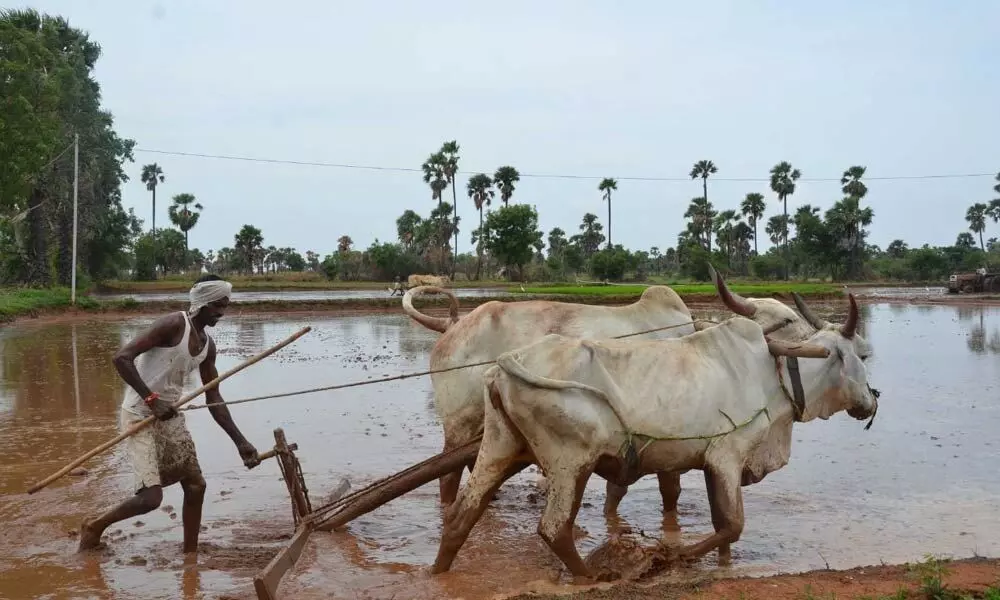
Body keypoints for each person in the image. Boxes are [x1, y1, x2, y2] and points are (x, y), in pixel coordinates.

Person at [78, 274, 260, 553]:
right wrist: (152, 400)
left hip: (170, 416)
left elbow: (214, 396)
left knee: (196, 486)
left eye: (225, 306)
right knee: (151, 499)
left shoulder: (207, 346)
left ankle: (190, 556)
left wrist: (240, 442)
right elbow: (121, 358)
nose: (222, 313)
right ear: (202, 303)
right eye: (218, 306)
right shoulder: (174, 324)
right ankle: (94, 526)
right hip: (139, 414)